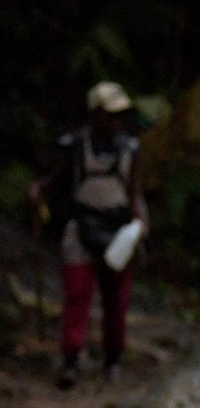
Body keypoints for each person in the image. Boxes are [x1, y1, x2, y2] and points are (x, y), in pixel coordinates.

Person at [29, 81, 147, 389]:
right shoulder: (76, 146)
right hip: (81, 227)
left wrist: (140, 224)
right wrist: (38, 190)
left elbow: (135, 194)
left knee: (116, 301)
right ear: (95, 114)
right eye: (111, 114)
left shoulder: (130, 150)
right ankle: (70, 359)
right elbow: (55, 180)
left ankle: (113, 360)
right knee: (77, 295)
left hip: (118, 230)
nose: (117, 121)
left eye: (120, 114)